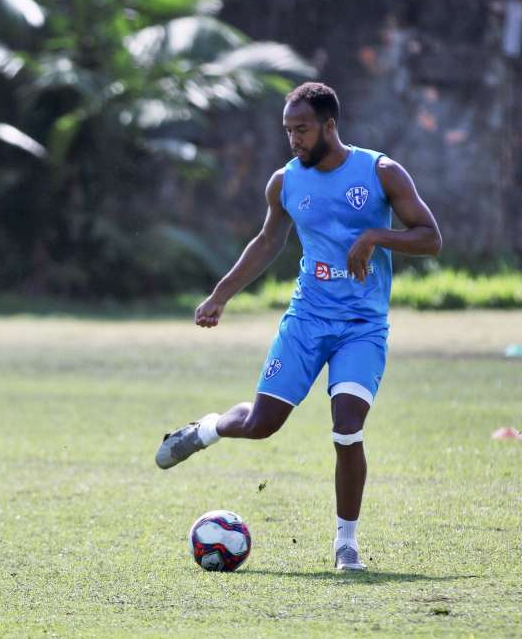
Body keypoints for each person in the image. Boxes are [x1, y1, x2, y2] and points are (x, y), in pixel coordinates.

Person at [155, 82, 442, 571]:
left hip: (361, 325)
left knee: (347, 427)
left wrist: (374, 234)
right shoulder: (284, 182)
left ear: (330, 125)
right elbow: (267, 242)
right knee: (260, 425)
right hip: (307, 320)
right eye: (288, 130)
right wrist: (220, 295)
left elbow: (430, 238)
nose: (294, 139)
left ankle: (345, 543)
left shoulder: (381, 171)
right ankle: (206, 429)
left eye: (302, 129)